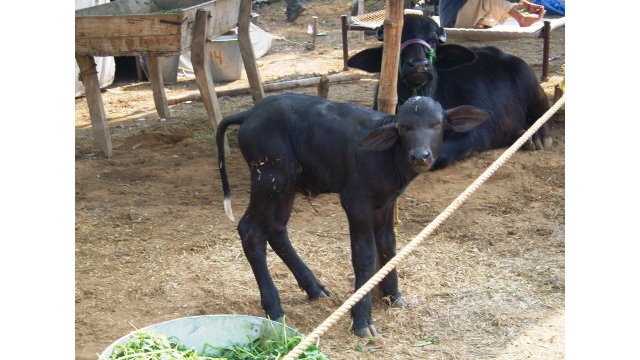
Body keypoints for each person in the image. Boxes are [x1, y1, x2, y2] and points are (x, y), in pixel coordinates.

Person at [439, 0, 545, 29]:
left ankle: (480, 24)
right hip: (453, 18)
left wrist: (526, 5)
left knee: (494, 8)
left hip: (459, 13)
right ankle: (522, 19)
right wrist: (525, 5)